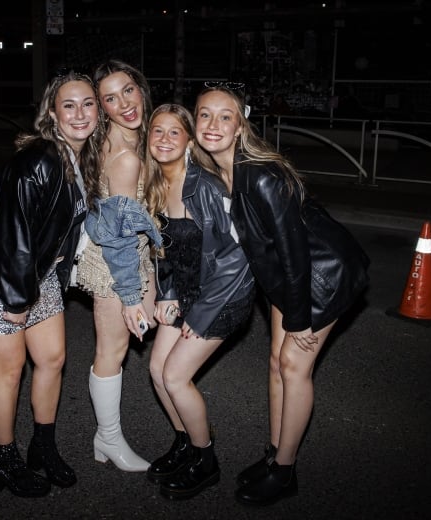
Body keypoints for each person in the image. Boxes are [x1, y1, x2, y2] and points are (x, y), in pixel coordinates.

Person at [194, 84, 370, 506]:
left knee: (293, 365)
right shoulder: (220, 169)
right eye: (204, 115)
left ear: (240, 126)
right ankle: (274, 454)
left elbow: (294, 254)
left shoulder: (261, 174)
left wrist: (301, 319)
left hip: (322, 273)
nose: (213, 124)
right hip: (285, 277)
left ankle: (286, 471)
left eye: (225, 116)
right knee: (274, 360)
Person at [0, 70, 100, 497]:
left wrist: (56, 272)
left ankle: (43, 446)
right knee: (9, 371)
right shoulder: (39, 160)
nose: (80, 114)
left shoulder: (80, 158)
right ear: (52, 115)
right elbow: (13, 234)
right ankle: (3, 460)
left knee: (53, 359)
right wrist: (19, 301)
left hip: (35, 273)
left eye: (88, 103)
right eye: (68, 105)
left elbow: (62, 226)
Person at [143, 104, 255, 500]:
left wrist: (203, 315)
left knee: (175, 376)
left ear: (189, 140)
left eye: (176, 132)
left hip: (224, 295)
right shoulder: (157, 183)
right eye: (158, 131)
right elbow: (169, 251)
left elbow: (237, 257)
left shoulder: (204, 186)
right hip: (188, 290)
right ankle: (185, 443)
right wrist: (167, 294)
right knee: (157, 370)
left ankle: (205, 460)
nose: (165, 139)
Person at [75, 59, 157, 472]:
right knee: (113, 350)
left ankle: (106, 437)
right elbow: (120, 236)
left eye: (128, 90)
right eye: (110, 98)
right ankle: (108, 439)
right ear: (102, 108)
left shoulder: (136, 137)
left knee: (132, 341)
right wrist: (129, 297)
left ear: (140, 87)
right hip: (113, 265)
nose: (124, 103)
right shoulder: (124, 156)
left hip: (132, 256)